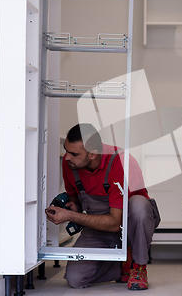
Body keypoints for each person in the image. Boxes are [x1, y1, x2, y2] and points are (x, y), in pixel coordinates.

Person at [45, 123, 160, 291]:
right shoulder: (71, 164)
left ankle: (138, 265)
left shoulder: (121, 162)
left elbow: (115, 222)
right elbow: (74, 196)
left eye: (74, 153)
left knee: (139, 205)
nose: (67, 157)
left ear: (93, 154)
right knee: (76, 278)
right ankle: (122, 267)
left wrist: (70, 216)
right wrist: (73, 206)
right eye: (66, 150)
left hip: (128, 225)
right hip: (99, 226)